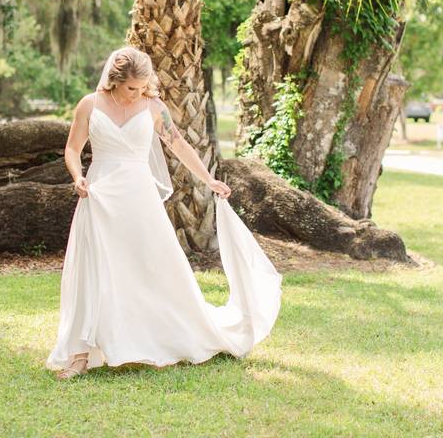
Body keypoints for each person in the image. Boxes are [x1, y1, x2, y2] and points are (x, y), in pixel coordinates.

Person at [46, 46, 283, 379]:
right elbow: (72, 148)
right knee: (94, 267)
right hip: (100, 194)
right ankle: (81, 353)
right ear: (114, 80)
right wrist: (77, 176)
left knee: (153, 264)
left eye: (143, 86)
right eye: (131, 87)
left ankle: (160, 336)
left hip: (139, 196)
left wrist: (209, 179)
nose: (138, 92)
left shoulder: (154, 106)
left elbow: (179, 145)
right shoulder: (90, 104)